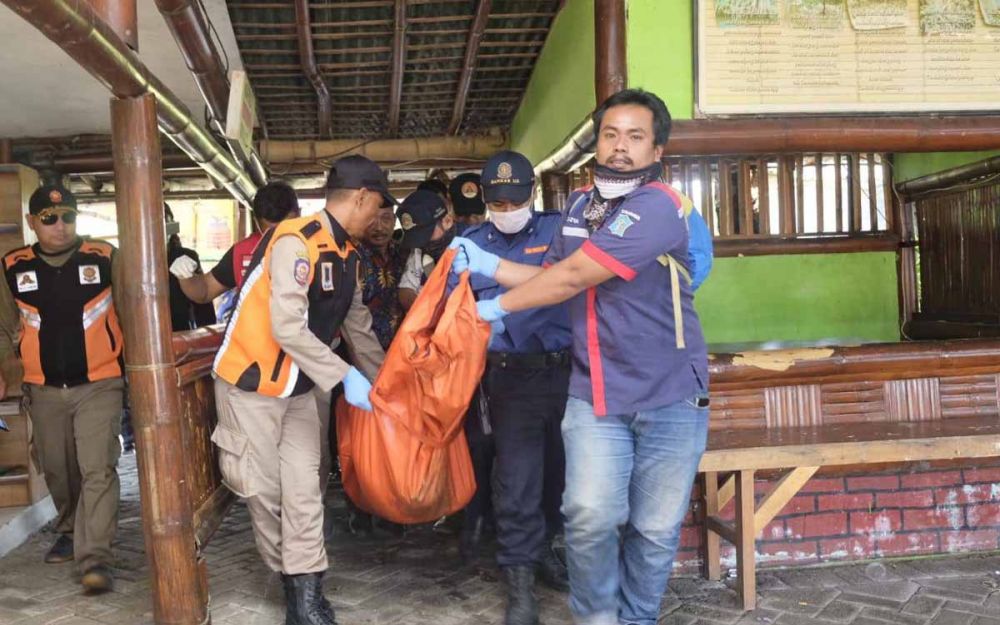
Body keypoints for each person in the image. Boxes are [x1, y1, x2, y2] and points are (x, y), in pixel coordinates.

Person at [450, 89, 710, 625]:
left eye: (635, 137)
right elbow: (554, 278)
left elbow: (574, 275)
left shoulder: (661, 206)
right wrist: (489, 265)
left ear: (657, 150)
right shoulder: (578, 207)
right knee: (588, 516)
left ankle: (636, 618)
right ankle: (598, 619)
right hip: (593, 392)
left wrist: (491, 307)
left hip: (669, 394)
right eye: (611, 135)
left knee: (654, 528)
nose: (620, 148)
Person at [211, 155, 392, 625]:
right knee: (265, 492)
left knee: (305, 489)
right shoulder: (296, 240)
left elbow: (359, 330)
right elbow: (287, 328)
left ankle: (307, 595)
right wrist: (344, 377)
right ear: (361, 198)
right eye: (378, 206)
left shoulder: (349, 256)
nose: (380, 217)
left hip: (302, 389)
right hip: (252, 384)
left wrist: (384, 384)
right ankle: (292, 584)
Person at [461, 150, 572, 625]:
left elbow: (572, 284)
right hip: (509, 379)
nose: (507, 210)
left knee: (565, 476)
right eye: (498, 203)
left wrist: (504, 307)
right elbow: (453, 311)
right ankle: (521, 584)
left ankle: (547, 547)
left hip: (570, 374)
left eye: (515, 200)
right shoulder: (468, 244)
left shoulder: (560, 231)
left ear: (532, 194)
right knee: (517, 482)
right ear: (486, 200)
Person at [0, 185, 124, 594]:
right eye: (49, 219)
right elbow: (3, 326)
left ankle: (96, 558)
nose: (60, 225)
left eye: (68, 216)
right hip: (44, 388)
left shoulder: (104, 257)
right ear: (33, 222)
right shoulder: (13, 266)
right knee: (58, 468)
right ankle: (71, 527)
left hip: (99, 384)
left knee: (96, 468)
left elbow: (132, 311)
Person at [169, 180, 300, 305]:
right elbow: (205, 291)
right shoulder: (243, 251)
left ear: (299, 214)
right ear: (257, 223)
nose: (278, 237)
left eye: (286, 229)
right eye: (270, 232)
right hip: (256, 328)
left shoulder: (317, 245)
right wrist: (186, 277)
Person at [356, 201, 406, 350]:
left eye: (385, 218)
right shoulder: (352, 257)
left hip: (403, 352)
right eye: (371, 218)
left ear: (394, 221)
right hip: (362, 354)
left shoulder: (404, 254)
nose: (379, 227)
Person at [396, 189, 457, 311]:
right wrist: (425, 312)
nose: (422, 242)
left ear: (447, 221)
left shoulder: (468, 247)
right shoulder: (419, 250)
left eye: (426, 234)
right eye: (417, 238)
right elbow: (406, 291)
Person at [163, 203, 216, 331]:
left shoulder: (186, 257)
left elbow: (203, 305)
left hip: (180, 334)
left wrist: (207, 337)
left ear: (171, 227)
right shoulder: (126, 261)